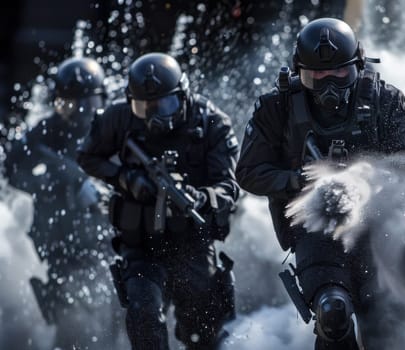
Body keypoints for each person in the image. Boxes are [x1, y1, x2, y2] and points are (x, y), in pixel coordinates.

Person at [235, 17, 405, 349]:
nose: (328, 84)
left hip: (377, 230)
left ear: (358, 67)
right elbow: (248, 171)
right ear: (298, 73)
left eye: (338, 74)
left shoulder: (385, 101)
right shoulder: (276, 108)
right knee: (333, 315)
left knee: (383, 327)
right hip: (313, 229)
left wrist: (362, 182)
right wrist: (297, 180)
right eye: (316, 75)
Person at [76, 52, 239, 350]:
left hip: (192, 242)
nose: (155, 115)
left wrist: (201, 197)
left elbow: (230, 187)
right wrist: (126, 178)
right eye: (144, 107)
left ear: (183, 94)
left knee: (203, 332)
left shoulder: (212, 122)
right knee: (144, 314)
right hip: (142, 243)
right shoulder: (120, 116)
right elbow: (87, 157)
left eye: (166, 104)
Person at [2, 56, 122, 349]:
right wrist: (62, 179)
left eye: (88, 104)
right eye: (69, 104)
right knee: (78, 328)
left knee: (122, 326)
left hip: (110, 246)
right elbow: (14, 170)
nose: (79, 113)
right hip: (63, 248)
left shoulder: (112, 133)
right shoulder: (46, 134)